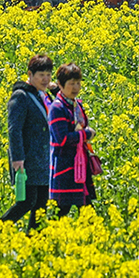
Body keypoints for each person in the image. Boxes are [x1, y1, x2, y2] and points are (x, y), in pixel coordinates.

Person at [0, 54, 53, 231]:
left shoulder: (43, 95)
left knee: (41, 203)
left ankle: (34, 241)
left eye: (48, 74)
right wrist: (17, 158)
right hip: (27, 158)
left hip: (44, 159)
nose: (45, 79)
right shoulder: (21, 96)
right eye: (41, 75)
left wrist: (56, 89)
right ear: (30, 74)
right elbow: (14, 129)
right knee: (26, 202)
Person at [48, 62, 96, 217]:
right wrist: (86, 135)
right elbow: (62, 139)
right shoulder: (57, 108)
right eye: (71, 84)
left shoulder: (75, 105)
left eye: (78, 83)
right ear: (61, 85)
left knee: (84, 210)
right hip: (65, 168)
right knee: (62, 211)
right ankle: (43, 238)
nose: (76, 88)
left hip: (79, 165)